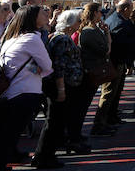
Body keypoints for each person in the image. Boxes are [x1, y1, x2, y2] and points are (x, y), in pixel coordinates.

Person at [0, 5, 53, 171]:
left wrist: (34, 69)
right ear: (33, 18)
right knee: (7, 136)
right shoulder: (32, 39)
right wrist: (36, 70)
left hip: (10, 92)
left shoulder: (12, 38)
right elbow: (48, 67)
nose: (46, 14)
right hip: (25, 92)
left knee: (2, 135)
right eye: (42, 12)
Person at [33, 10, 86, 168]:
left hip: (64, 85)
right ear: (70, 24)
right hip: (60, 86)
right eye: (78, 20)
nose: (80, 23)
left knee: (56, 121)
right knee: (54, 122)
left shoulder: (61, 37)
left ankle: (47, 154)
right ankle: (43, 156)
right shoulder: (62, 39)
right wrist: (61, 89)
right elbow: (59, 65)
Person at [94, 0, 135, 131]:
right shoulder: (119, 22)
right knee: (108, 93)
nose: (132, 11)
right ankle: (99, 124)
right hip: (114, 62)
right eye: (131, 8)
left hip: (117, 62)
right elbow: (120, 44)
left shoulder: (116, 19)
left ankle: (111, 117)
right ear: (125, 9)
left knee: (115, 92)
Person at [78, 3, 113, 137]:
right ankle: (76, 134)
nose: (101, 14)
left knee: (86, 102)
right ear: (93, 13)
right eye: (99, 12)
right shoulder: (89, 31)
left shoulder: (95, 29)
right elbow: (106, 50)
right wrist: (107, 38)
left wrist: (106, 33)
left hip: (95, 69)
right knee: (83, 104)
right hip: (90, 71)